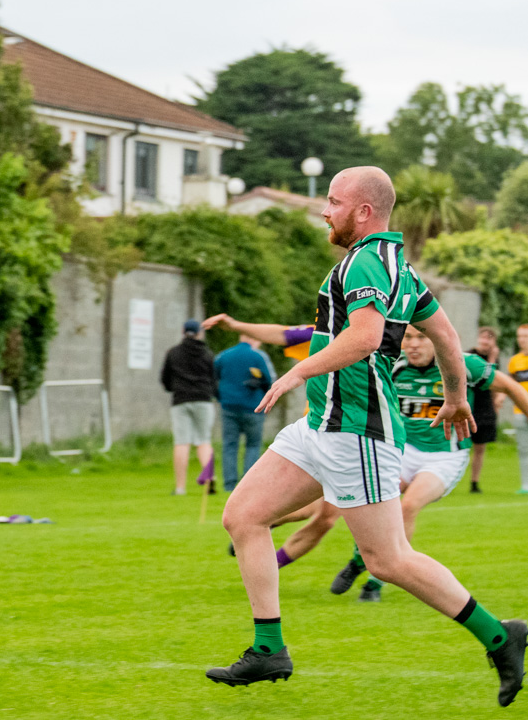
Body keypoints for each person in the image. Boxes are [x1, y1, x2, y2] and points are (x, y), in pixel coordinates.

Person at [205, 166, 525, 708]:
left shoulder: (366, 262)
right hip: (321, 427)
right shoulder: (396, 265)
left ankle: (502, 636)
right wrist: (455, 396)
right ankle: (268, 648)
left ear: (363, 211)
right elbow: (445, 334)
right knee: (243, 515)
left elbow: (366, 336)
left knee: (387, 560)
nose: (324, 211)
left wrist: (301, 370)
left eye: (332, 201)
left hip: (359, 432)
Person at [334, 324, 528, 603]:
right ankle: (358, 559)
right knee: (371, 505)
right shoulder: (394, 366)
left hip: (444, 456)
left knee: (408, 506)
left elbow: (509, 385)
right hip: (403, 451)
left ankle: (374, 584)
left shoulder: (461, 364)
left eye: (421, 337)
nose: (413, 345)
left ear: (436, 338)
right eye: (408, 337)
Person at [203, 314, 341, 566]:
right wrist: (237, 325)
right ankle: (266, 556)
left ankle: (266, 552)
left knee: (323, 515)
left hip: (359, 437)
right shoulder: (323, 333)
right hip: (324, 434)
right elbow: (282, 333)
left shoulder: (385, 338)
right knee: (326, 516)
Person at [160, 319, 216, 495]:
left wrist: (175, 388)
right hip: (203, 400)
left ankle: (180, 487)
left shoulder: (173, 353)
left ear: (183, 331)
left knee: (182, 442)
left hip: (180, 400)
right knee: (203, 440)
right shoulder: (207, 354)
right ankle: (209, 479)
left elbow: (165, 379)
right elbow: (214, 378)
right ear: (199, 333)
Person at [214, 335, 274, 491]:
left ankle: (229, 484)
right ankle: (248, 485)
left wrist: (221, 397)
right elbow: (268, 380)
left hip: (229, 407)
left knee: (229, 445)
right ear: (254, 339)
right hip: (253, 407)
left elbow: (212, 377)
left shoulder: (224, 355)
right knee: (253, 445)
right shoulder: (258, 356)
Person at [468, 326, 502, 494]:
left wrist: (497, 403)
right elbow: (482, 375)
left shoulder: (494, 359)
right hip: (469, 405)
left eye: (489, 339)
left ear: (493, 342)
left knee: (480, 448)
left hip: (485, 408)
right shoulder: (470, 356)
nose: (485, 341)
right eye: (482, 338)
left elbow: (495, 381)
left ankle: (474, 482)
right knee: (462, 444)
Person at [508, 324, 528, 495]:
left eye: (525, 336)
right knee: (524, 448)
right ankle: (526, 484)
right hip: (520, 411)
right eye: (520, 336)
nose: (522, 340)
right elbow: (511, 385)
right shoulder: (515, 361)